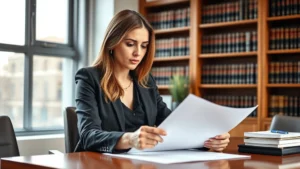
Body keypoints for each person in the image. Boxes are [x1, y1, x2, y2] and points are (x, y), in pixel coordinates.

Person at [74, 9, 230, 153]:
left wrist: (208, 138)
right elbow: (88, 136)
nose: (138, 53)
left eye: (144, 46)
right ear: (111, 43)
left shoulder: (145, 81)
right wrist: (130, 139)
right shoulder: (88, 78)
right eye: (130, 44)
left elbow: (172, 126)